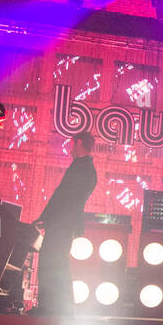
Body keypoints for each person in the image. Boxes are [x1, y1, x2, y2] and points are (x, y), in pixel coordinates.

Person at [32, 131, 97, 315]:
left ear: (78, 142)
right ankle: (59, 307)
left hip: (62, 223)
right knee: (57, 263)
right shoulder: (86, 168)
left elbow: (63, 195)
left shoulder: (81, 167)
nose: (69, 148)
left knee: (51, 262)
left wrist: (47, 217)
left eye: (70, 144)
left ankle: (49, 307)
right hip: (64, 223)